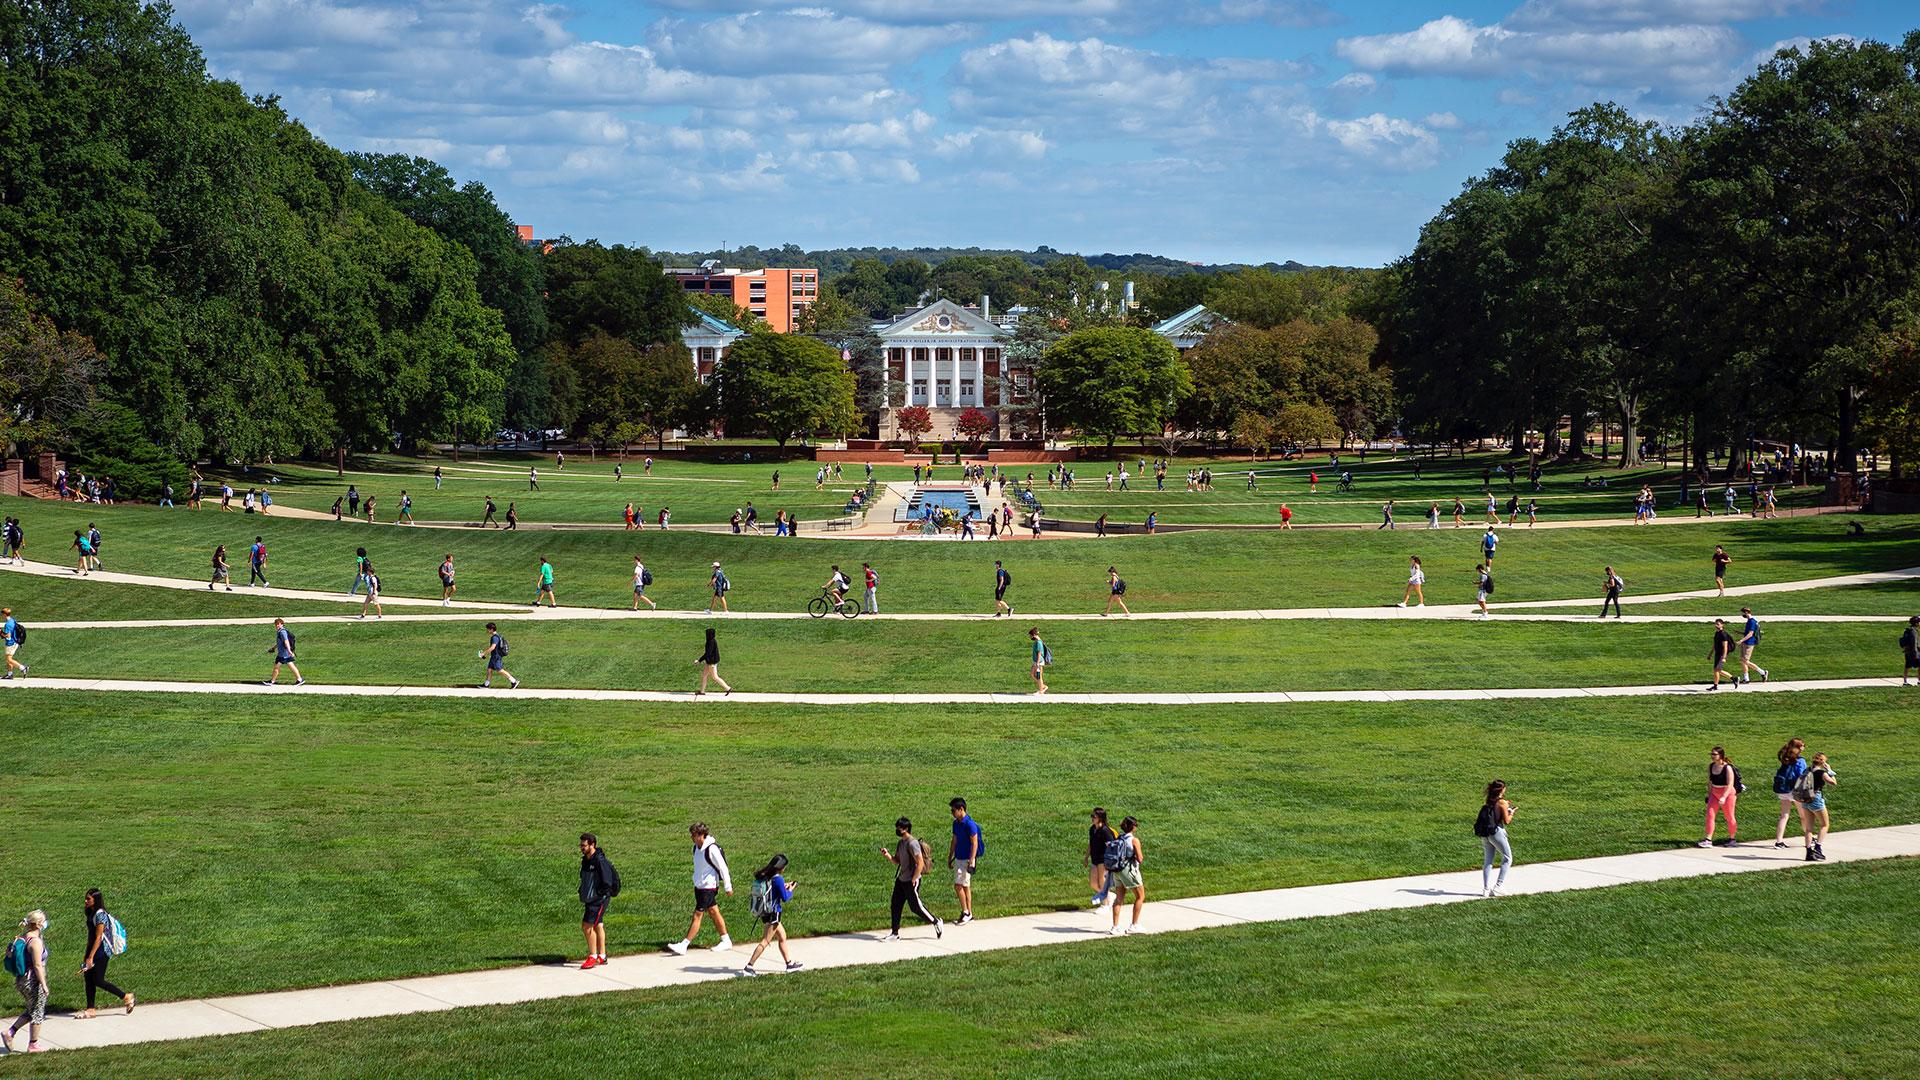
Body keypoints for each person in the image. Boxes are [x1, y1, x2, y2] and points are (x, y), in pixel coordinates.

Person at [667, 823, 733, 955]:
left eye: (694, 834)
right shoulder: (695, 848)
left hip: (708, 887)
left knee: (698, 915)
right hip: (700, 886)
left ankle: (684, 944)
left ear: (702, 835)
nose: (692, 837)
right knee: (714, 912)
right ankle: (726, 940)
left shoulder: (712, 849)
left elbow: (723, 867)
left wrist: (728, 886)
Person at [879, 817, 944, 941]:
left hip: (911, 880)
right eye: (897, 827)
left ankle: (936, 922)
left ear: (906, 828)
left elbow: (920, 863)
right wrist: (887, 855)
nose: (897, 829)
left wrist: (914, 879)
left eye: (900, 827)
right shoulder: (901, 843)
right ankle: (894, 933)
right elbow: (896, 861)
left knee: (915, 907)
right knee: (895, 905)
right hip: (901, 879)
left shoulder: (912, 843)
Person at [740, 855, 800, 977]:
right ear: (781, 867)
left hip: (765, 912)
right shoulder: (778, 879)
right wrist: (791, 889)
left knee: (782, 936)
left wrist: (784, 887)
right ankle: (749, 966)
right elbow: (785, 897)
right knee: (766, 941)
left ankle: (789, 964)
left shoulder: (766, 876)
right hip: (774, 913)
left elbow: (772, 891)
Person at [77, 889, 134, 1018]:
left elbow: (98, 937)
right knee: (88, 978)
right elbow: (91, 936)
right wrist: (87, 954)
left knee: (98, 979)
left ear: (95, 900)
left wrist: (91, 956)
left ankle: (126, 997)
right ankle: (90, 1009)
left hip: (101, 951)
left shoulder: (100, 915)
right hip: (93, 949)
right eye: (86, 898)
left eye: (88, 899)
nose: (85, 901)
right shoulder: (91, 913)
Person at [4, 910, 49, 1053]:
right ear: (38, 924)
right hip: (33, 981)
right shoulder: (35, 942)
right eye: (43, 921)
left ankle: (10, 1032)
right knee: (38, 1012)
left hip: (21, 980)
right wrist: (44, 984)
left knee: (32, 1009)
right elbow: (37, 965)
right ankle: (33, 1044)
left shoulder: (23, 938)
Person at [577, 833, 617, 969]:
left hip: (598, 899)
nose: (581, 848)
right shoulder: (586, 860)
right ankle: (602, 955)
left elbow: (607, 882)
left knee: (586, 926)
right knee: (598, 925)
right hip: (591, 898)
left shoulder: (600, 861)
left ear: (592, 845)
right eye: (581, 845)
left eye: (584, 845)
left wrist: (599, 894)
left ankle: (593, 956)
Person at [1105, 816, 1145, 935]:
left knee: (1119, 898)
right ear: (1133, 827)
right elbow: (1140, 858)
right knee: (1140, 896)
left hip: (1117, 870)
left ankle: (1115, 926)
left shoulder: (1119, 837)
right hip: (1128, 871)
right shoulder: (1134, 840)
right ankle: (1134, 925)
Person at [1793, 752, 1837, 861]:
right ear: (1822, 762)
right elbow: (1833, 783)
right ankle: (1818, 848)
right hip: (1816, 799)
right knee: (1824, 825)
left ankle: (1809, 852)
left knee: (1809, 829)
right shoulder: (1821, 773)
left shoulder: (1807, 770)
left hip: (1805, 799)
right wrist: (1830, 771)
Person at [1474, 780, 1514, 897]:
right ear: (1502, 790)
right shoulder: (1503, 803)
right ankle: (1498, 886)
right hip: (1497, 833)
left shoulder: (1489, 801)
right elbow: (1506, 821)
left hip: (1485, 833)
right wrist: (1510, 812)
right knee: (1507, 858)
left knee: (1488, 860)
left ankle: (1486, 889)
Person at [949, 797, 981, 924]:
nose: (952, 813)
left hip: (967, 859)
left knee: (958, 886)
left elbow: (975, 843)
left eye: (953, 811)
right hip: (958, 857)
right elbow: (954, 840)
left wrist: (972, 859)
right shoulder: (956, 823)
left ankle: (965, 912)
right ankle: (969, 913)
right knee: (966, 886)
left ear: (961, 809)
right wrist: (950, 856)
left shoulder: (969, 824)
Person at [1699, 746, 1739, 848]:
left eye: (1714, 754)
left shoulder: (1728, 768)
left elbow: (1730, 784)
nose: (1712, 756)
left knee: (1729, 816)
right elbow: (1710, 781)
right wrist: (1709, 795)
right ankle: (1708, 839)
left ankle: (1732, 838)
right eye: (1711, 754)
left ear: (1720, 755)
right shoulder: (1711, 766)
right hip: (1715, 793)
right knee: (1710, 815)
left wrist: (1724, 797)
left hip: (1728, 793)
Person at [1772, 738, 1807, 849]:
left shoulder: (1786, 758)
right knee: (1803, 816)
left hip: (1783, 789)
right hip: (1795, 790)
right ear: (1799, 747)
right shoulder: (1800, 760)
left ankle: (1779, 841)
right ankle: (1808, 837)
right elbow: (1802, 775)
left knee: (1784, 816)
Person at [1086, 808, 1118, 909]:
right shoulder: (1092, 829)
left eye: (1094, 816)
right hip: (1095, 858)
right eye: (1092, 816)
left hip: (1103, 859)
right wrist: (1086, 857)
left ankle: (1105, 905)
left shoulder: (1105, 831)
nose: (1092, 818)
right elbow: (1091, 844)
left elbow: (1113, 845)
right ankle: (1110, 896)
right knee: (1093, 883)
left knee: (1101, 881)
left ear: (1100, 818)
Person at [265, 618, 303, 686]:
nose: (277, 625)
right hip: (285, 653)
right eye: (276, 624)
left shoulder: (282, 632)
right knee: (291, 666)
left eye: (278, 624)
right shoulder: (281, 631)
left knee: (277, 667)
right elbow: (280, 642)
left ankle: (272, 681)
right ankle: (299, 679)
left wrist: (289, 651)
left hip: (283, 654)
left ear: (282, 624)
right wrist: (274, 648)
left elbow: (286, 641)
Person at [480, 622, 518, 688]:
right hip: (494, 656)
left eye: (488, 629)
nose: (487, 631)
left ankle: (514, 681)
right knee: (489, 669)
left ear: (491, 629)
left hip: (496, 656)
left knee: (500, 670)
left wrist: (484, 653)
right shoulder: (498, 635)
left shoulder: (495, 638)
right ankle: (486, 685)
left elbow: (493, 647)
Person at [1737, 607, 1769, 683]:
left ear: (1747, 612)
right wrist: (1740, 633)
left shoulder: (1752, 622)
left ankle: (1763, 672)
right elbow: (1748, 632)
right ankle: (1746, 678)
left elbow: (1751, 634)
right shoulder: (1749, 621)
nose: (1742, 615)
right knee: (1742, 660)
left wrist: (1741, 640)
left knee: (1745, 661)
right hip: (1746, 642)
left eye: (1743, 613)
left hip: (1749, 643)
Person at [696, 627, 730, 695]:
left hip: (712, 662)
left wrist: (699, 660)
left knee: (715, 677)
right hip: (709, 661)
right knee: (704, 675)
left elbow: (707, 654)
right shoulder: (712, 640)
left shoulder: (710, 642)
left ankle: (728, 688)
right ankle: (702, 691)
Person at [1707, 618, 1735, 689]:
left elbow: (1725, 647)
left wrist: (1724, 657)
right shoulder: (1717, 633)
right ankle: (1734, 679)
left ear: (1722, 625)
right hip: (1717, 653)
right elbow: (1715, 644)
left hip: (1721, 655)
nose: (1716, 625)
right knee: (1718, 670)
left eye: (1718, 624)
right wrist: (1710, 654)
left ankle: (1715, 686)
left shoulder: (1723, 634)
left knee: (1716, 670)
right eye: (1715, 624)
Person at [1, 609, 24, 680]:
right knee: (9, 658)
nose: (1, 616)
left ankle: (23, 668)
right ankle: (9, 674)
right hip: (15, 641)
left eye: (2, 614)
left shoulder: (7, 624)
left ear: (5, 614)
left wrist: (1, 633)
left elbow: (8, 636)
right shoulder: (13, 620)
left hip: (10, 643)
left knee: (9, 659)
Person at [1029, 626, 1051, 695]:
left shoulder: (1038, 642)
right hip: (1036, 661)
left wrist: (1038, 663)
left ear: (1034, 635)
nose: (1030, 637)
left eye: (1030, 635)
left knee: (1039, 676)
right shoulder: (1037, 641)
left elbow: (1039, 653)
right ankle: (1043, 686)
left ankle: (1041, 690)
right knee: (1032, 674)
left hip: (1039, 662)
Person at [1902, 615, 1920, 685]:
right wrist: (1916, 654)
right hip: (1914, 653)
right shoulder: (1913, 632)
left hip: (1908, 652)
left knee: (1907, 666)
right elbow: (1914, 643)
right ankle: (1919, 680)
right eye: (1918, 622)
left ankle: (1905, 681)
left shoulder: (1908, 630)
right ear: (1916, 623)